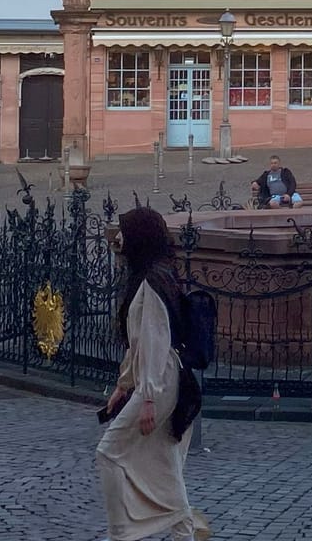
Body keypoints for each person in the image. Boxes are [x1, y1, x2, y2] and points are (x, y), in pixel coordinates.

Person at [98, 207, 208, 541]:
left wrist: (146, 397)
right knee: (165, 461)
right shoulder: (158, 273)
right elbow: (139, 343)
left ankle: (121, 533)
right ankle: (185, 531)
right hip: (163, 379)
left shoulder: (151, 281)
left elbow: (155, 340)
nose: (119, 239)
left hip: (160, 381)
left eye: (125, 232)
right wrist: (123, 385)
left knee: (109, 452)